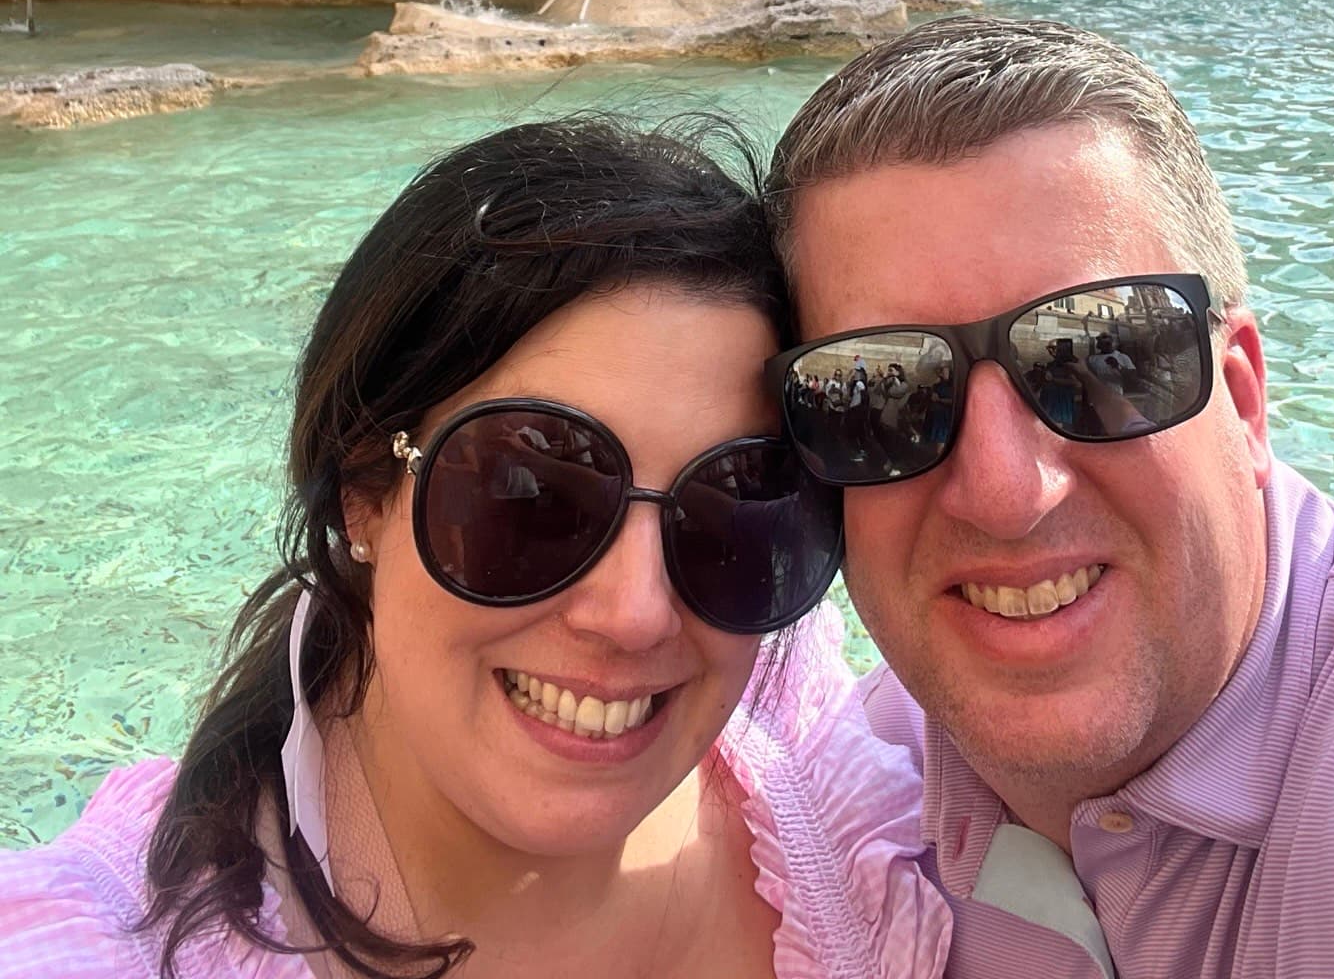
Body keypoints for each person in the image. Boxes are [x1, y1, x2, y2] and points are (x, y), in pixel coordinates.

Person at [0, 120, 950, 979]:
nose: (636, 612)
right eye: (530, 494)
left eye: (741, 505)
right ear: (361, 492)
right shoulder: (99, 942)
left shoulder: (833, 753)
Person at [766, 17, 1334, 978]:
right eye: (879, 394)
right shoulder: (849, 812)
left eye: (1101, 358)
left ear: (1245, 402)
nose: (1006, 494)